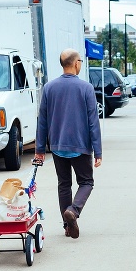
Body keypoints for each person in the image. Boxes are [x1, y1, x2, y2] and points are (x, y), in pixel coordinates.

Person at [34, 49, 102, 240]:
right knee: (86, 182)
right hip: (80, 145)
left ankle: (67, 226)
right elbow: (93, 122)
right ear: (75, 63)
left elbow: (43, 121)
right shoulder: (86, 88)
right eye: (80, 60)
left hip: (57, 146)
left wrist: (40, 149)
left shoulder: (49, 88)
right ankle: (73, 210)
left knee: (64, 184)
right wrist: (98, 150)